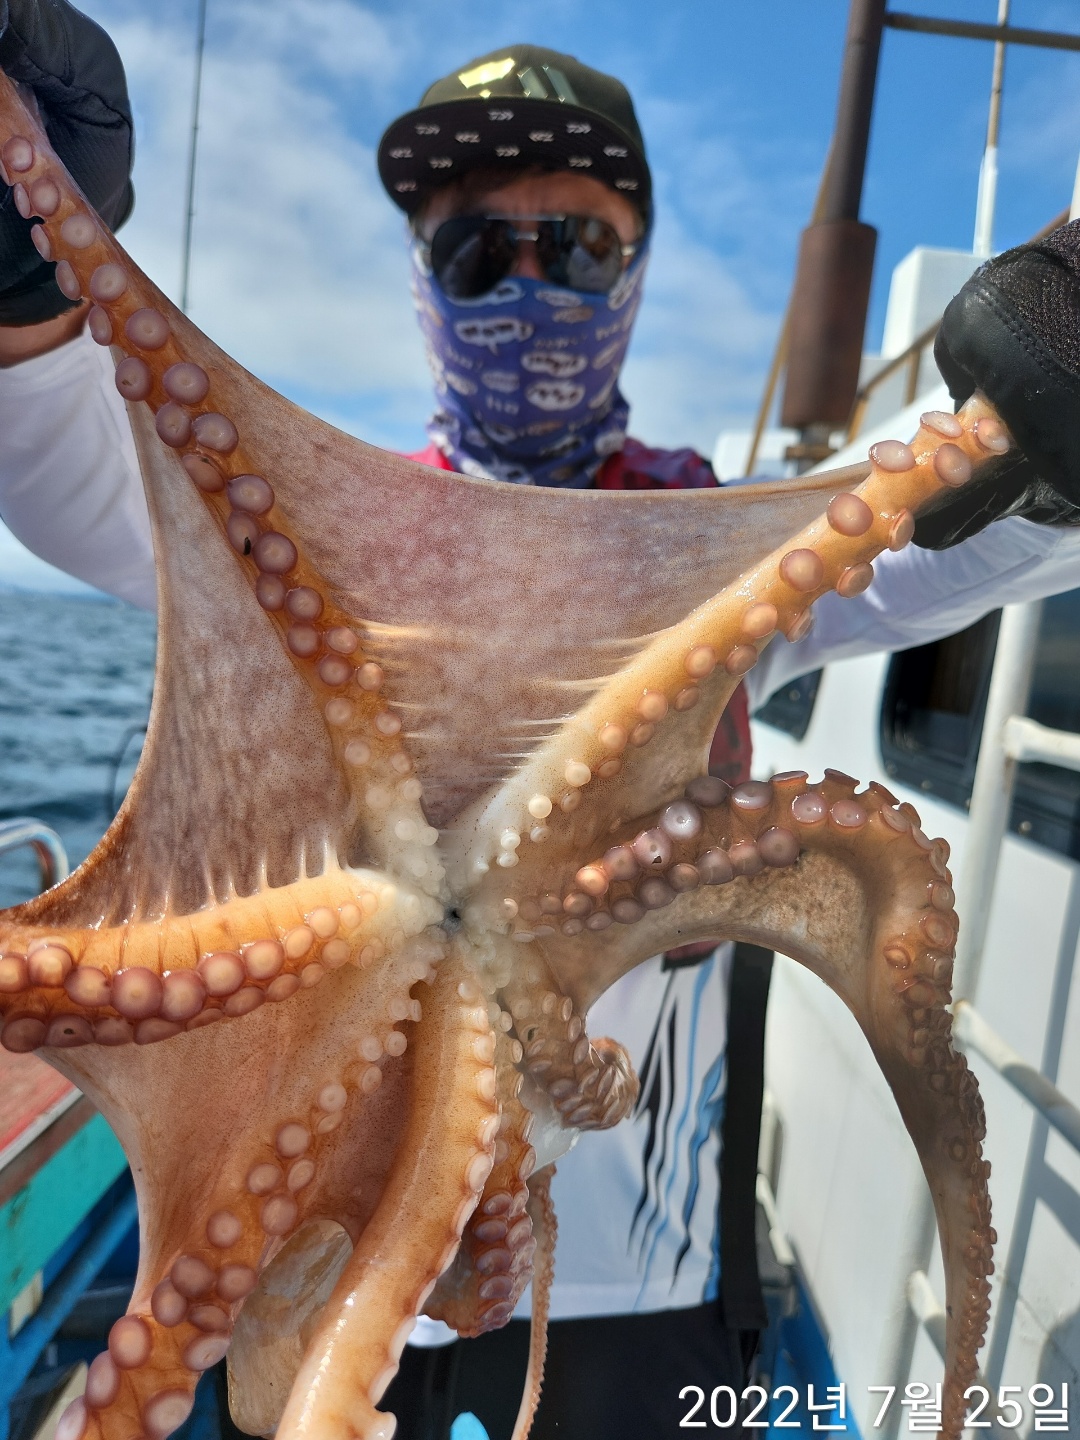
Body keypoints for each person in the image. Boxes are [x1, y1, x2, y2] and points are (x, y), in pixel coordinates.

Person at [3, 8, 1080, 1438]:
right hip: (326, 1255)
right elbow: (89, 481)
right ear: (422, 279)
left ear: (633, 266)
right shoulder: (332, 548)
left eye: (572, 248)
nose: (524, 286)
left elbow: (949, 547)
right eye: (474, 252)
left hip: (645, 1282)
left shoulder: (718, 543)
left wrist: (1051, 435)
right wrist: (23, 292)